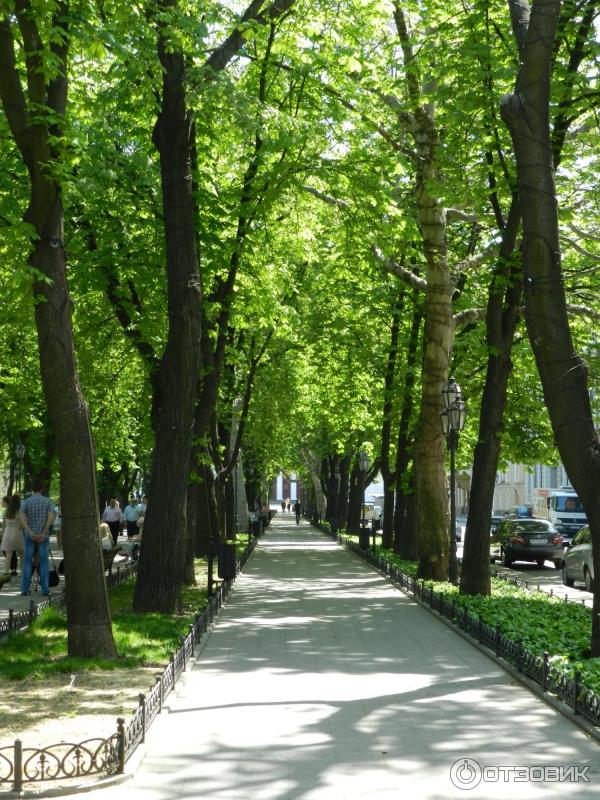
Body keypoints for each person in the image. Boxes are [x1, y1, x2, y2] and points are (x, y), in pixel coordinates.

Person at [20, 479, 55, 596]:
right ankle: (45, 589)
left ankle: (25, 589)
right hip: (43, 537)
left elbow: (22, 520)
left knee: (27, 562)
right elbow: (50, 519)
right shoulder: (47, 502)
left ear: (32, 488)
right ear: (42, 489)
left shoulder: (26, 502)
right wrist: (43, 533)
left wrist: (30, 532)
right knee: (44, 562)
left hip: (29, 536)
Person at [2, 495, 24, 575]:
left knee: (8, 555)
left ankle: (6, 572)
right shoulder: (19, 512)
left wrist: (2, 535)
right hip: (17, 533)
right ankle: (24, 573)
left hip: (7, 533)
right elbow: (20, 526)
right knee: (21, 555)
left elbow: (4, 525)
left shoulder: (6, 512)